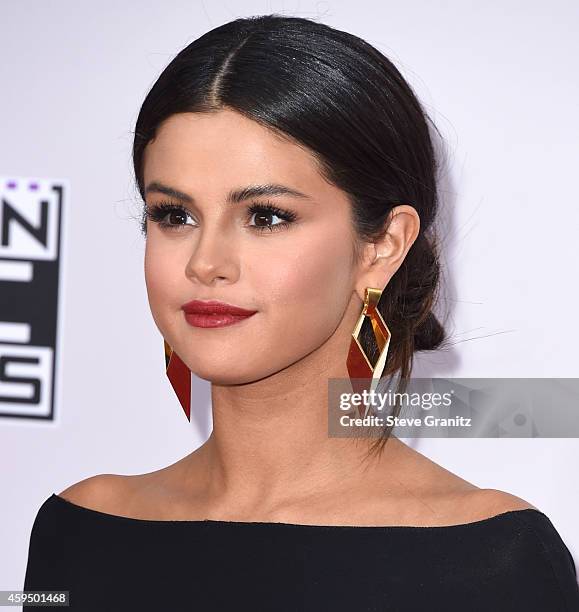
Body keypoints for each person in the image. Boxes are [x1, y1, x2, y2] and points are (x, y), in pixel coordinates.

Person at [23, 14, 579, 611]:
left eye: (265, 216)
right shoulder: (79, 530)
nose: (205, 263)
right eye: (174, 215)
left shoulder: (494, 560)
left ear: (383, 244)